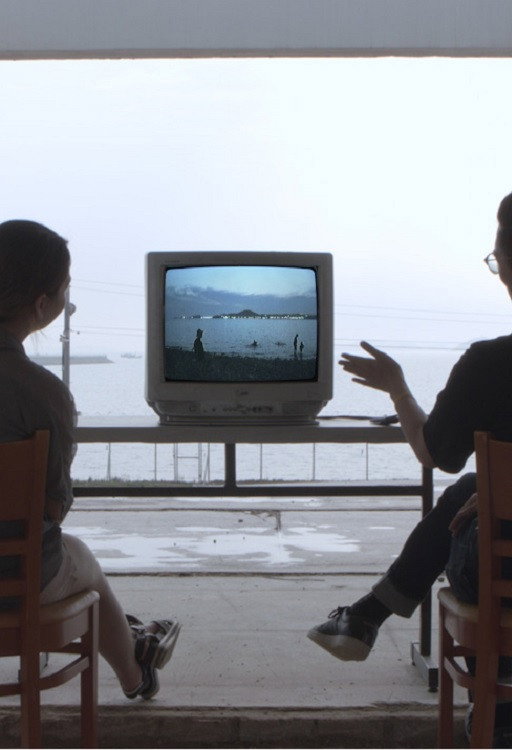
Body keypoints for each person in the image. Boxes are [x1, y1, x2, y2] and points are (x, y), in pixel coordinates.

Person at [307, 192, 512, 741]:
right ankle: (368, 615)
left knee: (478, 518)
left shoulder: (490, 364)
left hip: (503, 577)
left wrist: (397, 387)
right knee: (476, 487)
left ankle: (494, 710)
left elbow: (434, 454)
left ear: (506, 264)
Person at [0, 219, 180, 700]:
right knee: (81, 561)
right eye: (65, 289)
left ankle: (136, 644)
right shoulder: (42, 393)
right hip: (13, 585)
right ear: (43, 306)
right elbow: (52, 508)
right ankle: (136, 675)